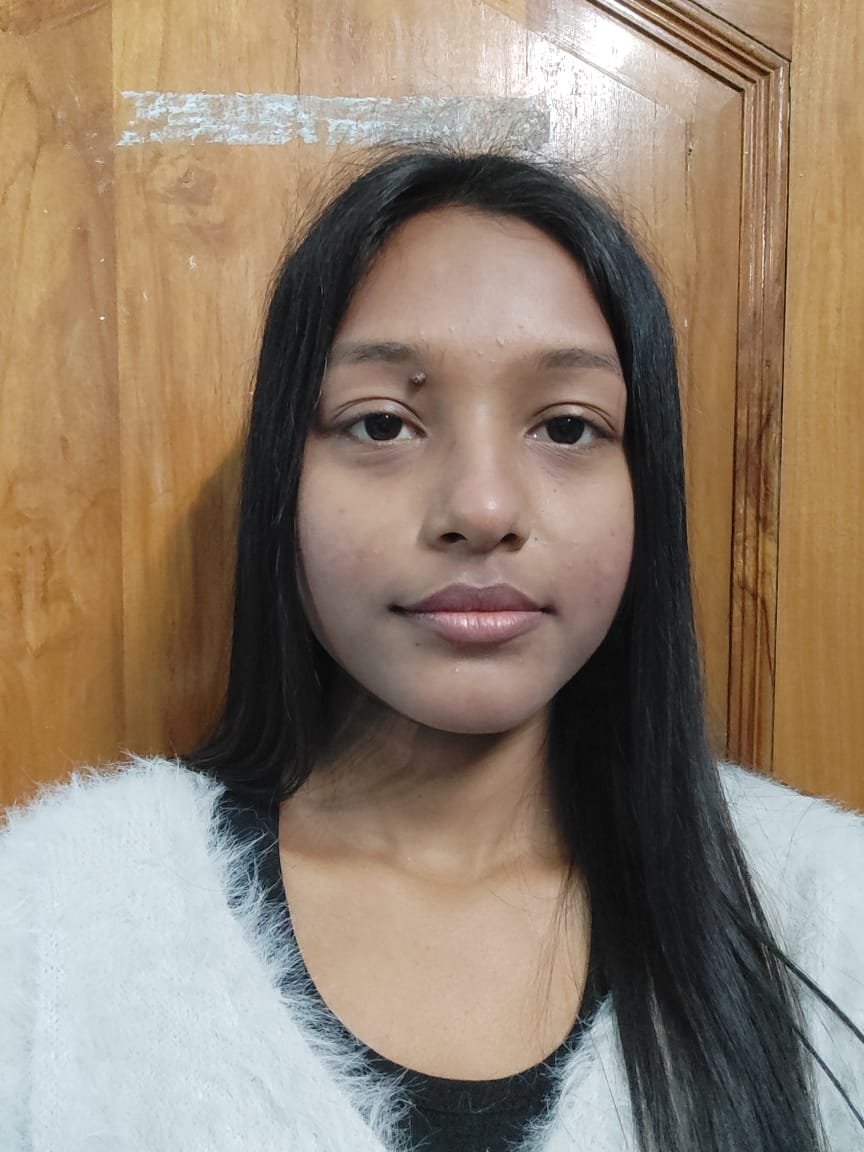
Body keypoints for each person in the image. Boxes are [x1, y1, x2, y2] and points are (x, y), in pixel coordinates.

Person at [1, 145, 863, 1152]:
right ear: (284, 474)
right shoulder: (57, 920)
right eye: (381, 423)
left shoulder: (825, 913)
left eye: (568, 428)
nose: (483, 508)